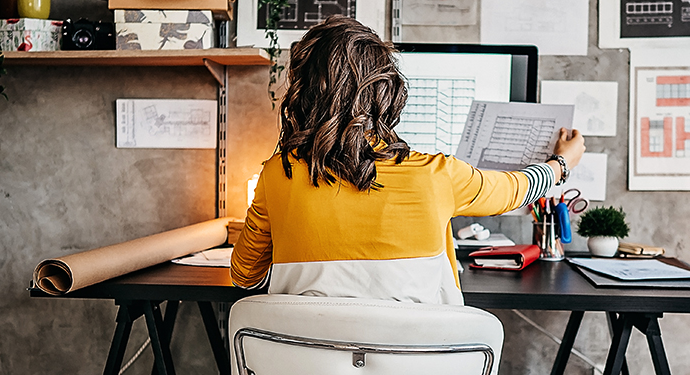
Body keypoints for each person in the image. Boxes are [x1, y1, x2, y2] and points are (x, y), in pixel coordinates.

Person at [229, 16, 585, 305]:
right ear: (387, 93)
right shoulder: (437, 175)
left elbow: (245, 277)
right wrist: (561, 164)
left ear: (303, 94)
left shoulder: (277, 174)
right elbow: (517, 189)